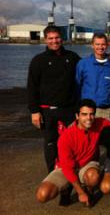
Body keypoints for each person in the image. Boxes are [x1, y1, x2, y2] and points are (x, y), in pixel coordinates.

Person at [35, 99, 110, 207]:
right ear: (77, 116)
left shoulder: (99, 123)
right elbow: (67, 168)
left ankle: (89, 191)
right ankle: (70, 189)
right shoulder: (66, 137)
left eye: (91, 114)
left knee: (93, 177)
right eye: (84, 114)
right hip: (67, 168)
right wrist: (80, 193)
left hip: (87, 165)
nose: (89, 118)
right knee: (42, 195)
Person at [28, 25, 80, 172]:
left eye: (57, 37)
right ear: (45, 40)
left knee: (71, 143)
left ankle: (71, 173)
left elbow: (87, 68)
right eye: (50, 38)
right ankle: (53, 173)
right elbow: (32, 87)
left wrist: (109, 58)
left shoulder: (72, 57)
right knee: (51, 144)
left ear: (61, 38)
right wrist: (34, 111)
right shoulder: (38, 61)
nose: (54, 41)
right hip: (47, 111)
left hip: (69, 110)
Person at [76, 33, 110, 119]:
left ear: (107, 45)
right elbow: (77, 86)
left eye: (103, 44)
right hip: (87, 111)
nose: (100, 47)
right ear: (92, 45)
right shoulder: (83, 63)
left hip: (108, 111)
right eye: (97, 44)